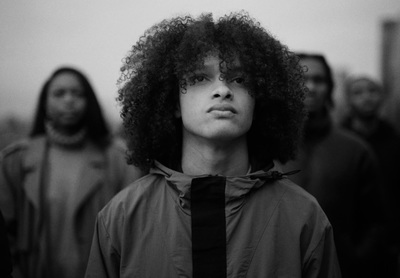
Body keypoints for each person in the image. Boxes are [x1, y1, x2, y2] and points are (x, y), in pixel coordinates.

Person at [85, 12, 341, 277]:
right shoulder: (122, 217)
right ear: (173, 103)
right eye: (199, 78)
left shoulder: (303, 216)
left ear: (259, 100)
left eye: (239, 79)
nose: (223, 90)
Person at [0, 67, 144, 278]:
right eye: (59, 94)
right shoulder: (15, 161)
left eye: (78, 93)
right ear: (45, 104)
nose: (69, 100)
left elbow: (134, 232)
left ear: (90, 102)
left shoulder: (119, 160)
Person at [280, 53, 387, 277]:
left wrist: (356, 260)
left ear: (329, 88)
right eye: (301, 78)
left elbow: (376, 222)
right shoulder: (265, 149)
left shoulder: (356, 150)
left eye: (319, 80)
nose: (310, 87)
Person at [341, 76, 400, 276]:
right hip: (346, 244)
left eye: (372, 91)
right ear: (348, 99)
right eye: (358, 92)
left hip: (387, 246)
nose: (367, 98)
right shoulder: (339, 142)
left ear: (382, 97)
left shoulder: (393, 141)